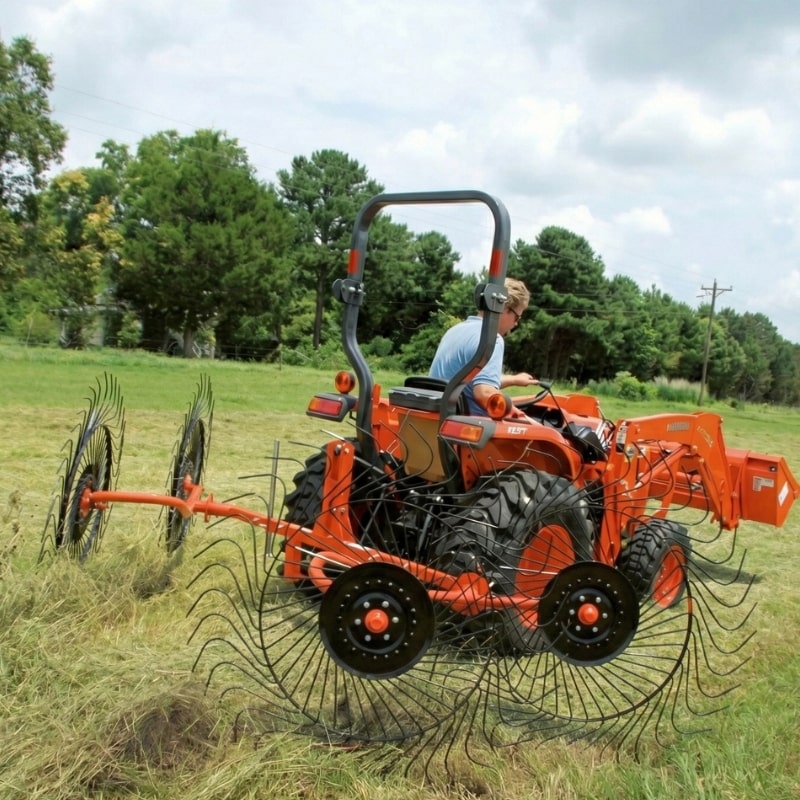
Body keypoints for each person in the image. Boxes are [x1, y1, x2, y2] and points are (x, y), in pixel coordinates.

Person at [429, 278, 537, 418]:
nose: (515, 324)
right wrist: (516, 413)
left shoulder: (454, 331)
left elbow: (468, 380)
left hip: (440, 417)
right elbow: (484, 393)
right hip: (468, 424)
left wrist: (514, 380)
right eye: (517, 318)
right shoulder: (491, 339)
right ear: (504, 308)